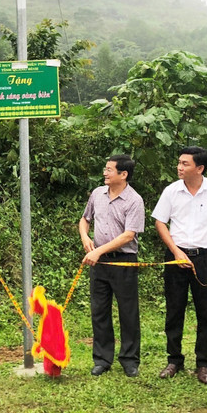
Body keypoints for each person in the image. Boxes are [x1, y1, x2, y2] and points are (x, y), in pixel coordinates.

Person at [152, 146, 207, 384]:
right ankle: (174, 360)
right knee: (174, 309)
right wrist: (175, 251)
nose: (179, 167)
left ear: (200, 168)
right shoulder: (171, 191)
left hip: (206, 258)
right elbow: (160, 222)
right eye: (179, 163)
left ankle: (203, 364)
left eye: (185, 164)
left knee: (206, 312)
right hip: (176, 257)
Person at [78, 154, 145, 377]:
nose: (105, 173)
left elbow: (128, 235)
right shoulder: (97, 194)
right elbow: (85, 219)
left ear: (123, 174)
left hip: (123, 261)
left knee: (128, 311)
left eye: (109, 170)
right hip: (99, 263)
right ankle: (102, 359)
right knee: (99, 310)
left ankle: (129, 360)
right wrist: (85, 238)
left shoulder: (134, 200)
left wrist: (98, 250)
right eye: (105, 169)